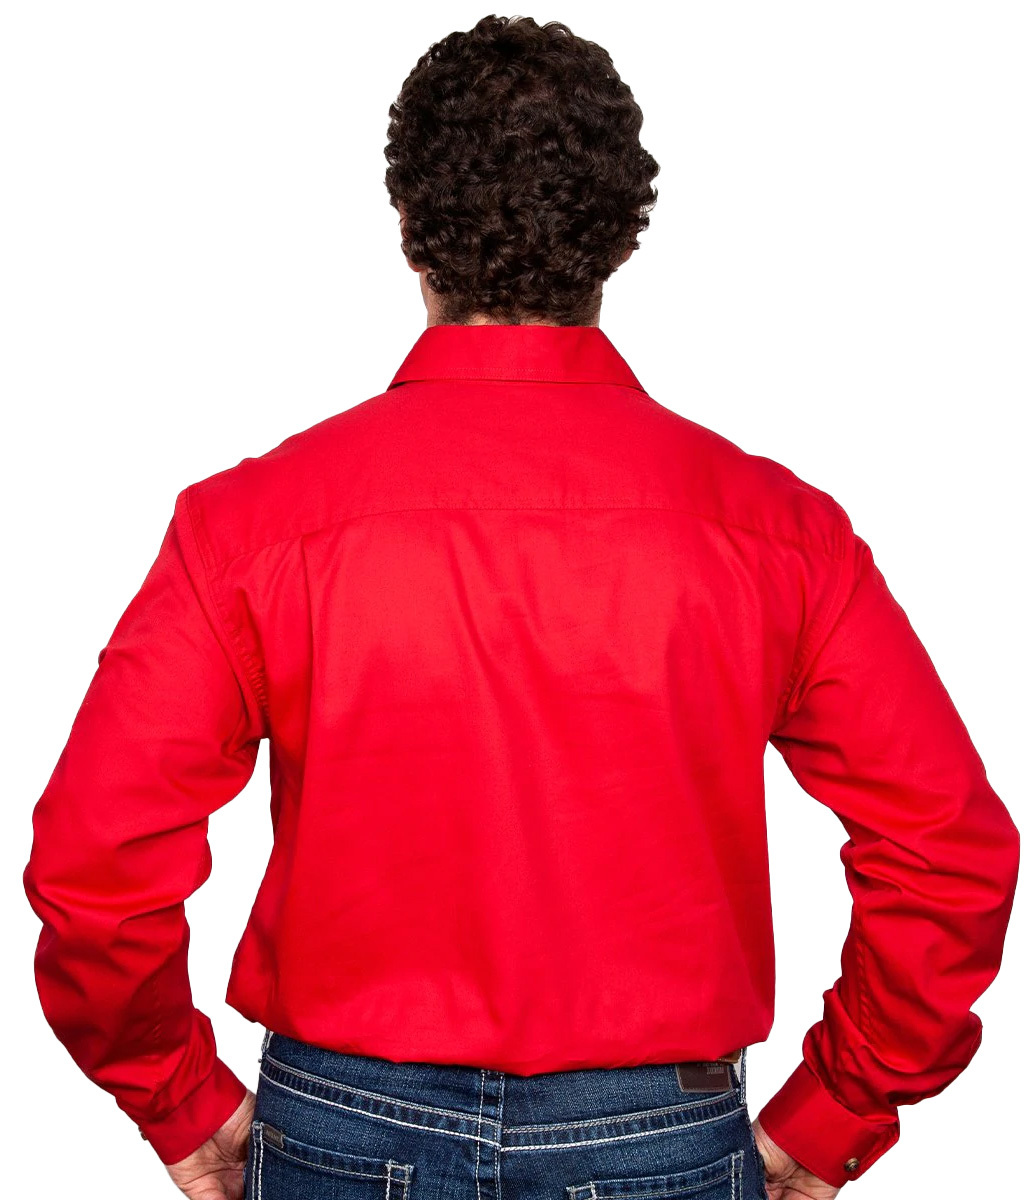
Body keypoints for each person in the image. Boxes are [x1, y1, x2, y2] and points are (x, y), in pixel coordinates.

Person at [23, 14, 1020, 1200]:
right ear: (620, 236)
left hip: (344, 1127)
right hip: (657, 1132)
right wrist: (838, 1106)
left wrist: (177, 1094)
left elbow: (97, 863)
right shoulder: (779, 533)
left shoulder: (248, 526)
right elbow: (947, 854)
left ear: (408, 224)